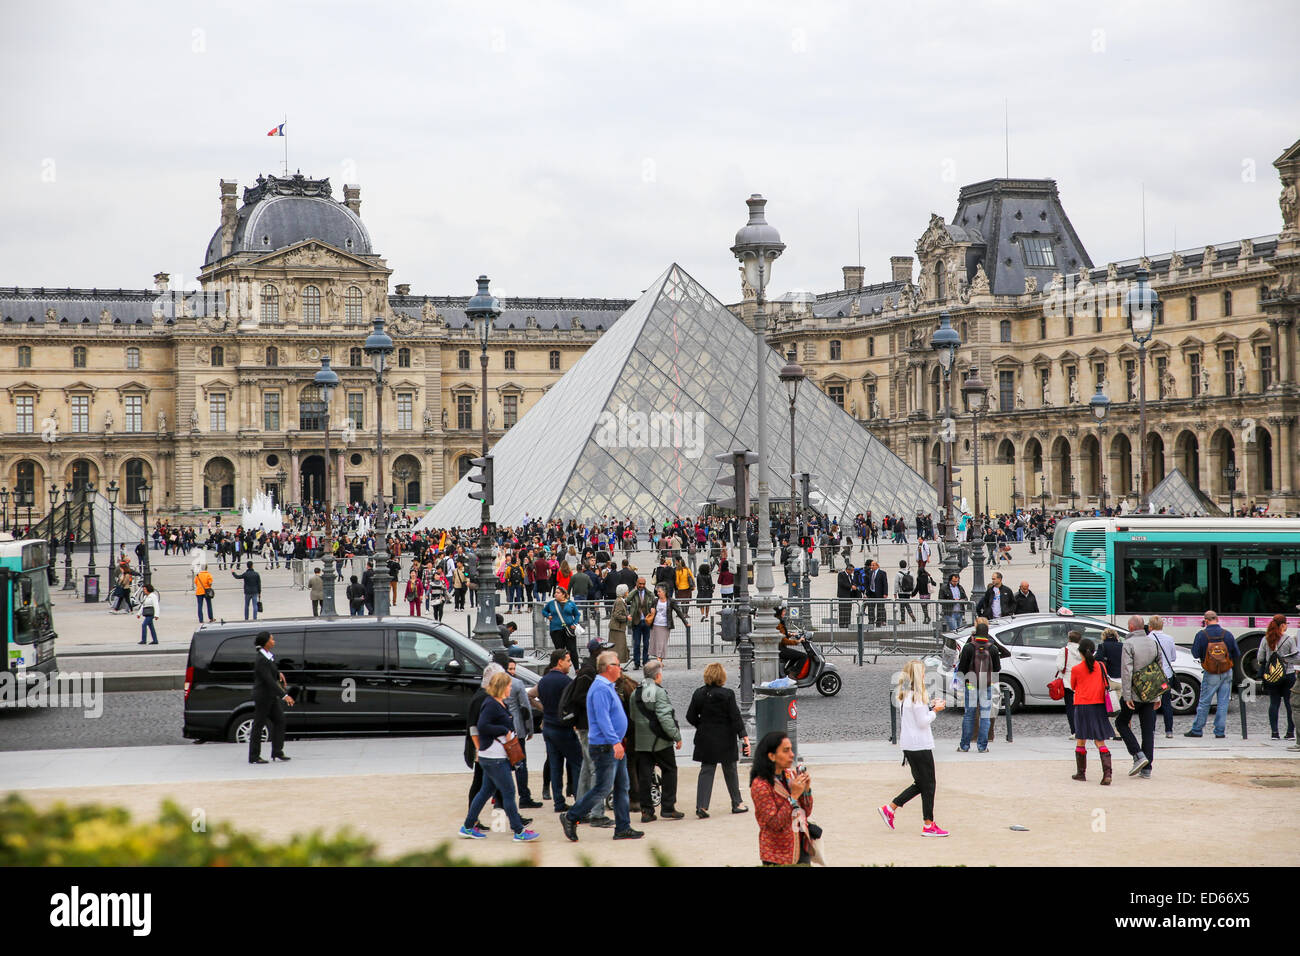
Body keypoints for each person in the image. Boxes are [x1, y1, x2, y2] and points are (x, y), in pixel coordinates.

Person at [559, 651, 643, 842]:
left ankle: (623, 827)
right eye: (617, 664)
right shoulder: (600, 689)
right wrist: (615, 742)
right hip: (606, 746)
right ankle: (571, 816)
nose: (620, 668)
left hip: (613, 744)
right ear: (608, 668)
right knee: (603, 788)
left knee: (622, 786)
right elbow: (602, 719)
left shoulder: (607, 686)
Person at [459, 670, 540, 842]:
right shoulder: (491, 704)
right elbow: (482, 725)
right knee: (509, 792)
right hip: (494, 756)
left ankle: (467, 826)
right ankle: (518, 831)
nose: (511, 688)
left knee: (486, 791)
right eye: (509, 685)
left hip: (492, 755)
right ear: (502, 687)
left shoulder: (496, 702)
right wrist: (504, 730)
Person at [879, 659, 948, 835]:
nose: (925, 674)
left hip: (910, 745)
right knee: (929, 784)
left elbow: (917, 715)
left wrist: (929, 706)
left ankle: (891, 808)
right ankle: (928, 824)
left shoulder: (907, 694)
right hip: (919, 745)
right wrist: (936, 710)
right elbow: (923, 721)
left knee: (921, 783)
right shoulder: (917, 695)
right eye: (923, 672)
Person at [686, 663, 749, 818]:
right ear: (722, 677)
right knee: (730, 770)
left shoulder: (698, 693)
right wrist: (743, 736)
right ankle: (737, 803)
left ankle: (702, 805)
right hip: (726, 737)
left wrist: (701, 725)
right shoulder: (727, 694)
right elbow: (735, 717)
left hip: (705, 737)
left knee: (706, 770)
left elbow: (690, 716)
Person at [631, 659, 684, 822]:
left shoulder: (635, 692)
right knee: (669, 770)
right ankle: (668, 807)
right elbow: (665, 718)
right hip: (660, 741)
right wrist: (676, 736)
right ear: (658, 675)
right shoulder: (659, 692)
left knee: (644, 776)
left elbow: (633, 717)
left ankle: (646, 811)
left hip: (642, 742)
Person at [750, 731, 813, 865]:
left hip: (800, 845)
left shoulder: (790, 775)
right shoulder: (760, 785)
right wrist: (794, 796)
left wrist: (806, 791)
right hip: (777, 853)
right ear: (772, 756)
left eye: (791, 749)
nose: (792, 754)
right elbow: (775, 823)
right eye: (786, 751)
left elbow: (805, 812)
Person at [537, 648, 582, 813]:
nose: (570, 664)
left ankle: (558, 802)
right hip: (563, 728)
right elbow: (574, 704)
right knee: (578, 762)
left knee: (555, 766)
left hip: (548, 726)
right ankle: (579, 800)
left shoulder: (543, 681)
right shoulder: (566, 682)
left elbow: (535, 697)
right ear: (560, 661)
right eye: (568, 661)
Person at [1117, 615, 1161, 778]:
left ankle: (1138, 754)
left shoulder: (1129, 643)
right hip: (1150, 692)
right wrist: (1158, 696)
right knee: (1148, 730)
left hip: (1134, 692)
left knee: (1121, 723)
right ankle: (1147, 768)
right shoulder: (1153, 642)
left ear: (1130, 627)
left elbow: (1127, 671)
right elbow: (1159, 669)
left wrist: (1127, 695)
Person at [1185, 610, 1240, 739]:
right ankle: (1220, 731)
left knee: (1205, 702)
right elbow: (1236, 653)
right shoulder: (1227, 634)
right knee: (1223, 702)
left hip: (1210, 673)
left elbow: (1195, 653)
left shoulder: (1201, 635)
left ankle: (1197, 730)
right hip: (1226, 671)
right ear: (1217, 619)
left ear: (1206, 621)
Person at [1069, 637, 1115, 784]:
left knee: (1081, 739)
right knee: (1099, 741)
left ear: (1080, 652)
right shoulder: (1101, 666)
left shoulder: (1076, 669)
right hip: (1099, 705)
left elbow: (1073, 686)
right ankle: (1107, 773)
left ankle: (1081, 773)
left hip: (1082, 706)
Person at [499, 655, 542, 809]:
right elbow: (525, 708)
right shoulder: (517, 683)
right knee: (520, 764)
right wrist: (530, 729)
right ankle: (524, 796)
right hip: (516, 727)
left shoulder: (494, 683)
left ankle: (499, 800)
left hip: (500, 728)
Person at [956, 617, 1000, 753]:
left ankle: (964, 746)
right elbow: (997, 668)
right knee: (985, 715)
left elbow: (962, 668)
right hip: (986, 684)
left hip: (971, 685)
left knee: (969, 714)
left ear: (975, 632)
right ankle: (982, 746)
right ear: (987, 633)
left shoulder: (969, 647)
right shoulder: (992, 648)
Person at [250, 631, 293, 764]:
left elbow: (271, 672)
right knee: (259, 725)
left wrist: (279, 673)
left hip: (271, 696)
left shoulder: (267, 656)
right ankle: (254, 756)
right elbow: (268, 680)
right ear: (266, 642)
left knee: (280, 720)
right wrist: (284, 695)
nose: (274, 641)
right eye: (272, 639)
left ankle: (277, 751)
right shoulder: (261, 659)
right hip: (263, 696)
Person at [1257, 613, 1297, 739]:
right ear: (1283, 625)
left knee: (1274, 703)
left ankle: (1274, 733)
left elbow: (1260, 657)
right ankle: (1290, 732)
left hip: (1272, 675)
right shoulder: (1289, 639)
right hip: (1288, 674)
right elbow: (1296, 657)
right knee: (1289, 704)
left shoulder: (1266, 639)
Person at [1147, 615, 1179, 738]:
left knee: (1153, 703)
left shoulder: (1148, 639)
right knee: (1166, 703)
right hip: (1167, 676)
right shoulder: (1169, 638)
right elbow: (1173, 657)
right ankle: (1169, 731)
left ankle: (1152, 730)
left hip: (1153, 676)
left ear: (1150, 626)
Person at [647, 583, 688, 664]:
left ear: (664, 592)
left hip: (665, 625)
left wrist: (685, 622)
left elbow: (678, 612)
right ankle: (659, 661)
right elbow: (650, 610)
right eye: (657, 592)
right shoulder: (655, 601)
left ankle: (659, 660)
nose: (658, 593)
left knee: (662, 643)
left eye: (659, 591)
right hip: (655, 624)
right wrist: (651, 611)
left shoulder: (671, 601)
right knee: (656, 643)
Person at [1056, 630, 1085, 738]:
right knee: (1081, 707)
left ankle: (1074, 730)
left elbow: (1060, 666)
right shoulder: (1083, 651)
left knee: (1070, 708)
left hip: (1068, 681)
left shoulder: (1064, 651)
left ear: (1069, 639)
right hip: (1081, 682)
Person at [543, 585, 581, 665]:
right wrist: (548, 616)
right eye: (555, 593)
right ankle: (561, 667)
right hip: (556, 630)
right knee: (559, 651)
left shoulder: (571, 603)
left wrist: (574, 623)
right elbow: (544, 611)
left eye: (558, 593)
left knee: (572, 650)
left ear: (564, 594)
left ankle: (577, 668)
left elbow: (577, 614)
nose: (555, 594)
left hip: (569, 630)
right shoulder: (551, 603)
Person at [609, 584, 630, 664]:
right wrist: (626, 618)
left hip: (617, 628)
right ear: (623, 592)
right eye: (627, 590)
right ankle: (616, 665)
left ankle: (617, 665)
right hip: (617, 628)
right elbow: (616, 615)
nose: (628, 592)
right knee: (618, 648)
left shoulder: (619, 600)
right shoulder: (620, 601)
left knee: (618, 647)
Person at [864, 559, 888, 627]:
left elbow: (885, 583)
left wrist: (885, 593)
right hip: (871, 593)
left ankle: (879, 622)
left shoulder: (882, 573)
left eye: (873, 565)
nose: (871, 566)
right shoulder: (870, 573)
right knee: (871, 608)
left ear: (877, 566)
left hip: (879, 593)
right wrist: (866, 592)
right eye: (871, 565)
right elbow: (868, 583)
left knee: (880, 608)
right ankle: (871, 621)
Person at [836, 561, 857, 629]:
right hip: (843, 595)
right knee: (842, 610)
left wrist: (855, 586)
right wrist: (851, 586)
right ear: (848, 570)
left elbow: (852, 582)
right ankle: (842, 623)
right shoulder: (841, 574)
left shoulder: (850, 576)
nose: (852, 572)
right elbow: (841, 583)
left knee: (848, 610)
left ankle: (848, 623)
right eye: (852, 571)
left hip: (849, 595)